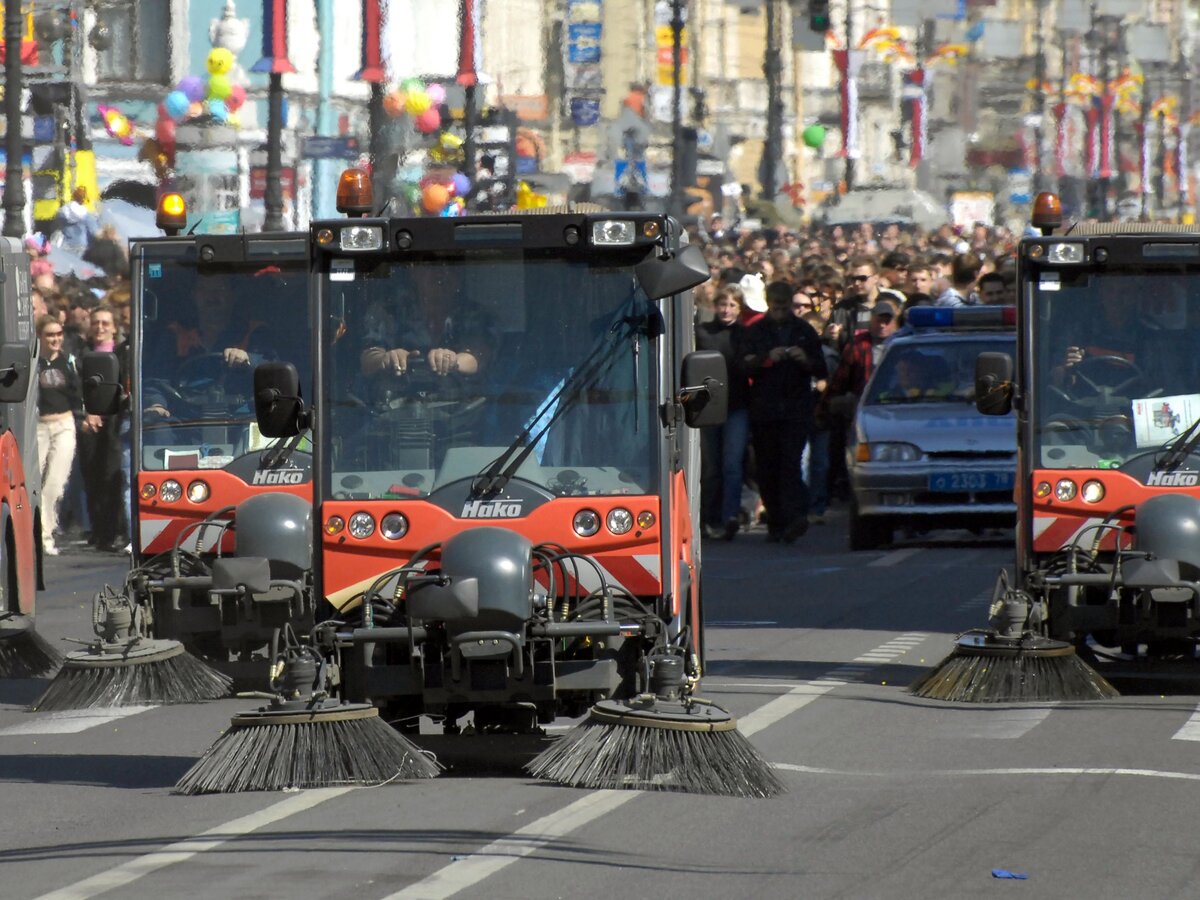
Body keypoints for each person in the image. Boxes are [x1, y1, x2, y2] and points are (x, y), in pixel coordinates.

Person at [739, 280, 827, 543]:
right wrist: (766, 359)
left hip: (795, 409)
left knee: (790, 463)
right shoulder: (756, 332)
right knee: (768, 467)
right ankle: (776, 521)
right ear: (769, 304)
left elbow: (821, 369)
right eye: (776, 307)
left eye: (784, 307)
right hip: (765, 409)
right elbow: (743, 365)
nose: (780, 312)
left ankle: (795, 516)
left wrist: (804, 360)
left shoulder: (804, 330)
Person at [36, 316, 95, 556]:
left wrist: (87, 416)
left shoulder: (68, 362)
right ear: (40, 337)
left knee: (56, 484)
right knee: (35, 482)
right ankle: (32, 532)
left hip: (64, 425)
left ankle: (45, 536)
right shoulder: (34, 363)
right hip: (38, 427)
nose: (55, 339)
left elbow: (79, 393)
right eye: (50, 335)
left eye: (58, 334)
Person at [696, 285, 751, 540]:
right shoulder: (703, 332)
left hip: (737, 406)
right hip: (708, 406)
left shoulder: (745, 335)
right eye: (723, 305)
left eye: (732, 305)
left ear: (739, 309)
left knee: (732, 465)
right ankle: (709, 517)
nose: (726, 310)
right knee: (711, 468)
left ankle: (730, 515)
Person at [77, 306, 124, 552]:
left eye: (105, 323)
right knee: (92, 477)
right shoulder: (81, 354)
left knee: (112, 476)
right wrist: (86, 413)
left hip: (115, 420)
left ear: (114, 327)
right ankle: (98, 531)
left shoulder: (122, 353)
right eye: (96, 323)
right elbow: (75, 388)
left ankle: (114, 530)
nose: (100, 328)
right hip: (88, 422)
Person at [55, 186, 99, 257]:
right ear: (84, 199)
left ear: (73, 196)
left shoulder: (61, 213)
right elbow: (95, 234)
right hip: (82, 249)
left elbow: (57, 227)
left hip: (65, 246)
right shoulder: (87, 216)